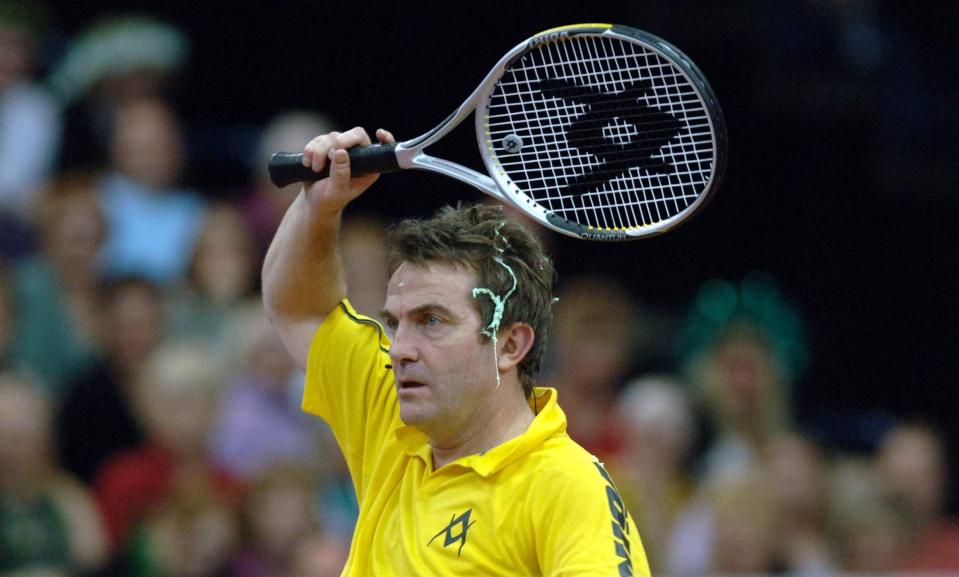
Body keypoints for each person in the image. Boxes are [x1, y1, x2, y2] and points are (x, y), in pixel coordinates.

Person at [262, 127, 649, 575]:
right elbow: (298, 309)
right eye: (394, 323)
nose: (400, 350)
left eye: (431, 321)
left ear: (509, 344)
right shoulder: (388, 412)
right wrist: (319, 206)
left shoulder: (566, 486)